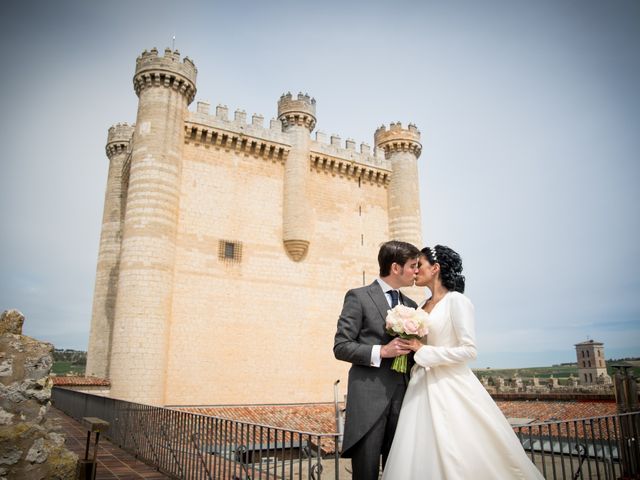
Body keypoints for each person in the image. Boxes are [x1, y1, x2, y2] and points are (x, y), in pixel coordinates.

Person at [382, 245, 545, 479]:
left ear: (435, 268)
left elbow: (469, 350)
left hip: (449, 385)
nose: (415, 271)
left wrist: (423, 350)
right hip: (419, 386)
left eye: (420, 265)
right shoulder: (420, 307)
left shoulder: (457, 301)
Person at [334, 240, 421, 480]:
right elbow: (341, 346)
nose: (416, 271)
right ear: (396, 267)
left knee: (399, 471)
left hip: (404, 400)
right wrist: (382, 351)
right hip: (368, 401)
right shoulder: (358, 297)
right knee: (366, 474)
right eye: (413, 266)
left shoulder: (412, 306)